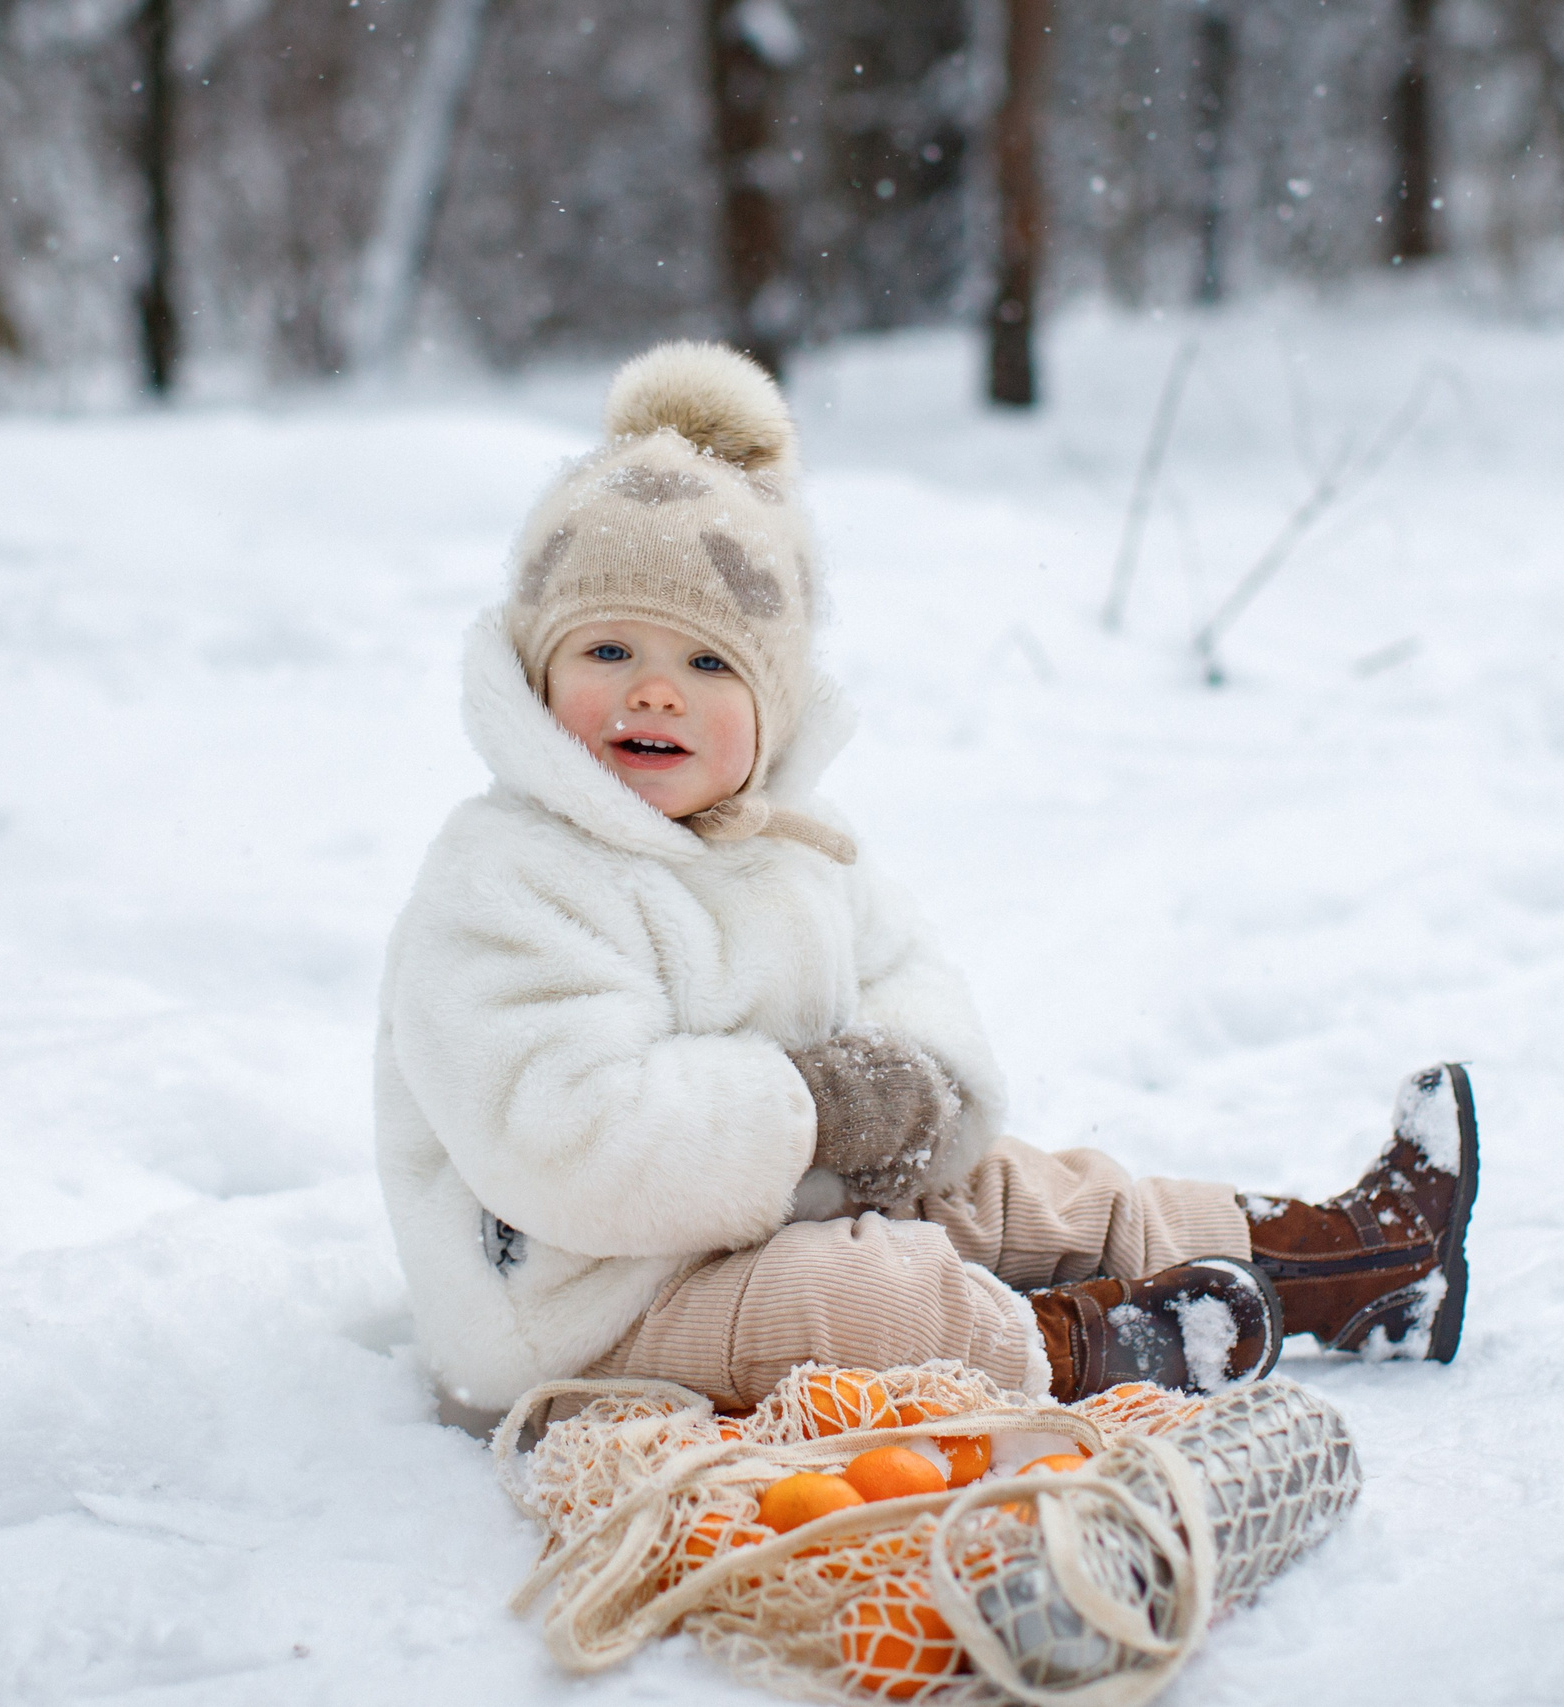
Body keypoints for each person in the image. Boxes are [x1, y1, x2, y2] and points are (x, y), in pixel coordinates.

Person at [374, 343, 1477, 1418]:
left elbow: (909, 977)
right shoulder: (507, 877)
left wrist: (911, 1093)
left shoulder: (798, 847)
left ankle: (1359, 1261)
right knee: (865, 1297)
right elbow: (566, 1139)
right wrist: (811, 1107)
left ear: (776, 703)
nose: (654, 695)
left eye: (707, 663)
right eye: (608, 652)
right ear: (537, 672)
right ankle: (1099, 1348)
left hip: (765, 1211)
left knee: (1021, 1190)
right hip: (585, 1308)